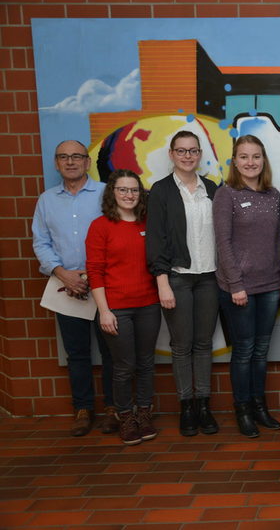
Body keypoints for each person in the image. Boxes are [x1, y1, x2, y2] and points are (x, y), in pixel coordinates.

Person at [32, 140, 116, 437]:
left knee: (111, 352)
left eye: (77, 157)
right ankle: (83, 409)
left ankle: (113, 410)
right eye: (63, 157)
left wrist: (94, 275)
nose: (70, 162)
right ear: (56, 163)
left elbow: (118, 234)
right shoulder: (46, 201)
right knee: (76, 353)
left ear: (87, 162)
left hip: (104, 285)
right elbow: (41, 242)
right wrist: (62, 274)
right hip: (65, 287)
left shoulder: (107, 193)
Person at [213, 135, 280, 438]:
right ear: (235, 161)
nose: (250, 162)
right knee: (243, 350)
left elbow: (277, 240)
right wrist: (235, 283)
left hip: (270, 285)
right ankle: (243, 408)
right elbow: (224, 243)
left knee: (261, 351)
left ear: (263, 160)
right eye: (244, 157)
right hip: (239, 288)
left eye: (256, 156)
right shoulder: (226, 194)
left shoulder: (273, 195)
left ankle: (260, 405)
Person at [146, 131, 220, 437]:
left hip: (209, 278)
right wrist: (162, 282)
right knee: (181, 346)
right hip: (177, 277)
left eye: (192, 151)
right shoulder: (161, 191)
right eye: (181, 151)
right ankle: (186, 406)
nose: (187, 156)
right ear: (172, 154)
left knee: (203, 345)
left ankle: (203, 404)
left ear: (200, 154)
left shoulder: (212, 189)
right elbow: (155, 240)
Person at [86, 170, 161, 446]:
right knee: (123, 366)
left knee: (145, 364)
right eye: (122, 190)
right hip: (116, 308)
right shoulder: (100, 226)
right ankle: (125, 416)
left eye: (134, 190)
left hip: (149, 305)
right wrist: (104, 311)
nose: (129, 195)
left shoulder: (149, 223)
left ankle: (144, 413)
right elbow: (94, 271)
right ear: (112, 193)